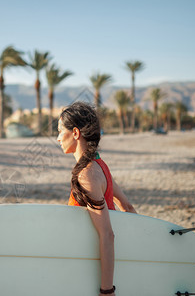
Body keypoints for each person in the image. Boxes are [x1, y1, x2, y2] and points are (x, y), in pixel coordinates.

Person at [57, 102, 137, 296]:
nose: (58, 138)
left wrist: (107, 290)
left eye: (60, 131)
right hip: (96, 263)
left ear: (75, 133)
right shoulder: (99, 165)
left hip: (92, 270)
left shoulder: (87, 175)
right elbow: (126, 206)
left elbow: (107, 234)